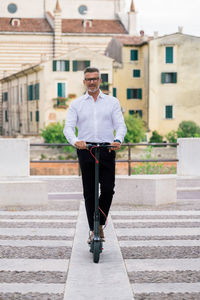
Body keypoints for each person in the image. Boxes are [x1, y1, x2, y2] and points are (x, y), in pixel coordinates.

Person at [63, 67, 127, 243]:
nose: (92, 82)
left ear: (100, 81)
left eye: (95, 79)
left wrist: (118, 139)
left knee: (108, 189)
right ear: (84, 82)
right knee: (89, 192)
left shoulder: (112, 102)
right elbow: (68, 127)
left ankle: (99, 222)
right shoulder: (76, 104)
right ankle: (94, 229)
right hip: (86, 150)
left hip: (107, 149)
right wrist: (75, 140)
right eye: (88, 79)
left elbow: (121, 125)